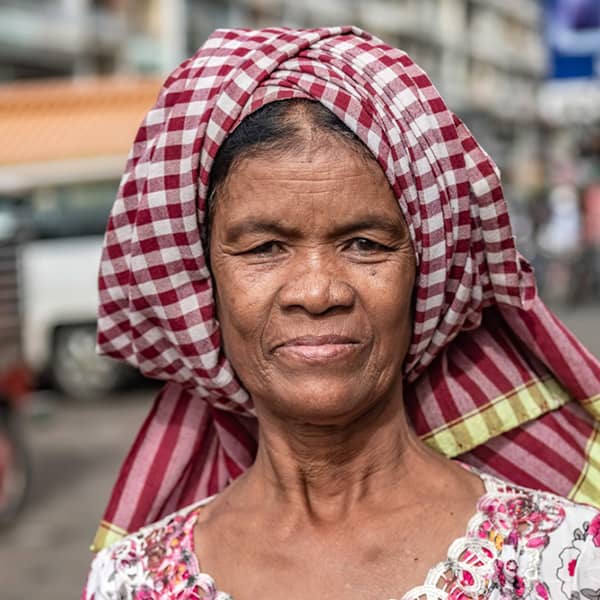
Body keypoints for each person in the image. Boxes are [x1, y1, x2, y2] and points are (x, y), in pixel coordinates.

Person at [82, 27, 600, 599]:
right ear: (206, 283)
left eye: (365, 243)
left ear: (423, 276)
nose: (318, 290)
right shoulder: (130, 581)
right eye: (263, 248)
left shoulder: (565, 562)